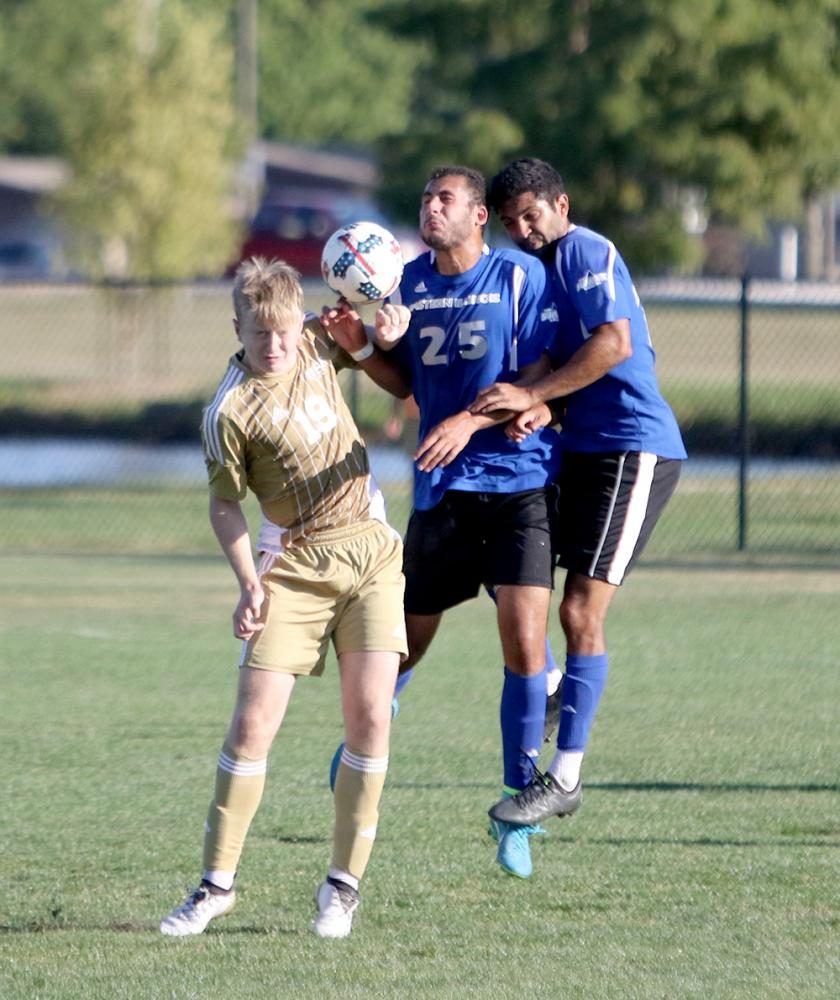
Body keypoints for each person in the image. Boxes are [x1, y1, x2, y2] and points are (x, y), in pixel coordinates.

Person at [321, 165, 562, 879]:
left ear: (478, 215)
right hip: (443, 494)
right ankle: (361, 739)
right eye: (426, 198)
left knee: (524, 644)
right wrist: (366, 345)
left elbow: (545, 365)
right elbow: (407, 382)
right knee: (403, 648)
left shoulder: (518, 277)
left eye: (444, 199)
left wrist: (484, 415)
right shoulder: (405, 284)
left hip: (519, 486)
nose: (431, 208)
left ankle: (518, 806)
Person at [159, 258, 409, 940]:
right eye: (260, 332)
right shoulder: (228, 411)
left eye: (284, 330)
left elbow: (394, 367)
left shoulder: (317, 340)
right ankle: (215, 887)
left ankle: (341, 888)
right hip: (292, 565)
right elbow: (224, 507)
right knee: (251, 727)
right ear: (236, 326)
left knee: (370, 722)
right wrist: (248, 583)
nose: (276, 344)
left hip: (372, 551)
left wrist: (390, 329)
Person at [470, 157, 687, 828]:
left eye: (531, 215)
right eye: (510, 223)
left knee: (579, 614)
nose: (524, 230)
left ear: (561, 204)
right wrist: (540, 408)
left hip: (630, 445)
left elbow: (614, 345)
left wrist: (535, 394)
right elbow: (552, 366)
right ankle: (563, 688)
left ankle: (564, 779)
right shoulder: (532, 276)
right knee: (500, 559)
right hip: (579, 447)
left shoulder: (583, 249)